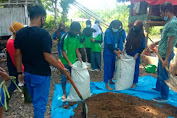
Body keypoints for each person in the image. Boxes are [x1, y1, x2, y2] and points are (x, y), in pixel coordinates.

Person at [14, 5, 68, 118]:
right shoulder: (43, 34)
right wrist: (62, 69)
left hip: (28, 74)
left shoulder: (20, 33)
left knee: (36, 101)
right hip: (41, 75)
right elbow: (47, 56)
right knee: (40, 105)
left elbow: (17, 54)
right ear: (42, 18)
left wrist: (20, 73)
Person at [150, 2, 177, 102]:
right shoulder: (169, 22)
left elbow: (170, 41)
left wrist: (166, 58)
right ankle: (158, 88)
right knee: (159, 72)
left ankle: (164, 96)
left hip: (165, 55)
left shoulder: (173, 23)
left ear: (167, 11)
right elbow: (164, 38)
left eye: (162, 13)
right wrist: (155, 43)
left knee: (163, 75)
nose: (161, 15)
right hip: (161, 53)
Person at [6, 22, 32, 111]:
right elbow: (15, 59)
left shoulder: (13, 40)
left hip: (16, 66)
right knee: (14, 84)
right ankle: (5, 102)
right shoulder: (11, 43)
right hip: (14, 68)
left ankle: (28, 98)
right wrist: (21, 70)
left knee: (24, 81)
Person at [60, 22, 82, 100]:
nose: (76, 33)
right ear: (71, 30)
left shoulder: (77, 37)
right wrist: (68, 61)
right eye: (75, 31)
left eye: (77, 31)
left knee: (74, 77)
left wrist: (79, 57)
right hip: (65, 62)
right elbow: (63, 51)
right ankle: (64, 93)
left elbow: (76, 48)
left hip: (73, 61)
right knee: (64, 77)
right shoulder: (65, 37)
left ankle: (74, 92)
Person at [103, 20, 126, 90]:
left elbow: (117, 41)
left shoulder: (116, 32)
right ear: (112, 26)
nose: (116, 28)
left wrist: (119, 49)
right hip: (108, 53)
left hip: (113, 53)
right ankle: (106, 84)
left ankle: (110, 80)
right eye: (115, 27)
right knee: (107, 68)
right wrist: (116, 52)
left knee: (112, 67)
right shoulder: (108, 32)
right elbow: (109, 44)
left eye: (117, 27)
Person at [125, 20, 146, 88]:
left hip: (135, 53)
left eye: (137, 26)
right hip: (129, 51)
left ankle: (134, 82)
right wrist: (124, 49)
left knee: (135, 67)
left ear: (140, 27)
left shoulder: (141, 35)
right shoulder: (131, 31)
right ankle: (127, 80)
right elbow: (127, 41)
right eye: (134, 25)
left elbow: (143, 46)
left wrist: (138, 53)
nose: (135, 27)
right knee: (127, 67)